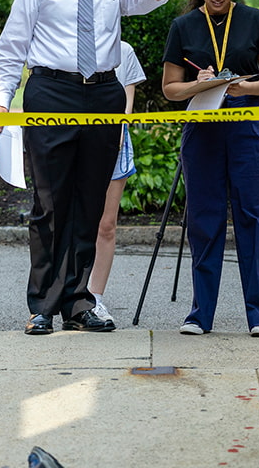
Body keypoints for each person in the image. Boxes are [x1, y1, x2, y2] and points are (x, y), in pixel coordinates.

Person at [0, 0, 176, 335]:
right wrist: (2, 99)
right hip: (51, 92)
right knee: (50, 204)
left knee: (90, 203)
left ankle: (78, 303)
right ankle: (42, 306)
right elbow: (12, 46)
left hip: (103, 95)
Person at [161, 0, 259, 337]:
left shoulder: (253, 20)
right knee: (204, 220)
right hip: (203, 129)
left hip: (247, 124)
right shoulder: (183, 26)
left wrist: (244, 86)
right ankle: (200, 315)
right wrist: (199, 84)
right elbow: (170, 89)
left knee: (257, 218)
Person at [87, 41, 146, 328]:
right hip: (75, 140)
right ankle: (64, 294)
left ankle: (94, 297)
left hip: (114, 143)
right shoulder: (66, 45)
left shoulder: (124, 51)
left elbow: (127, 102)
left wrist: (118, 129)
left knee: (106, 224)